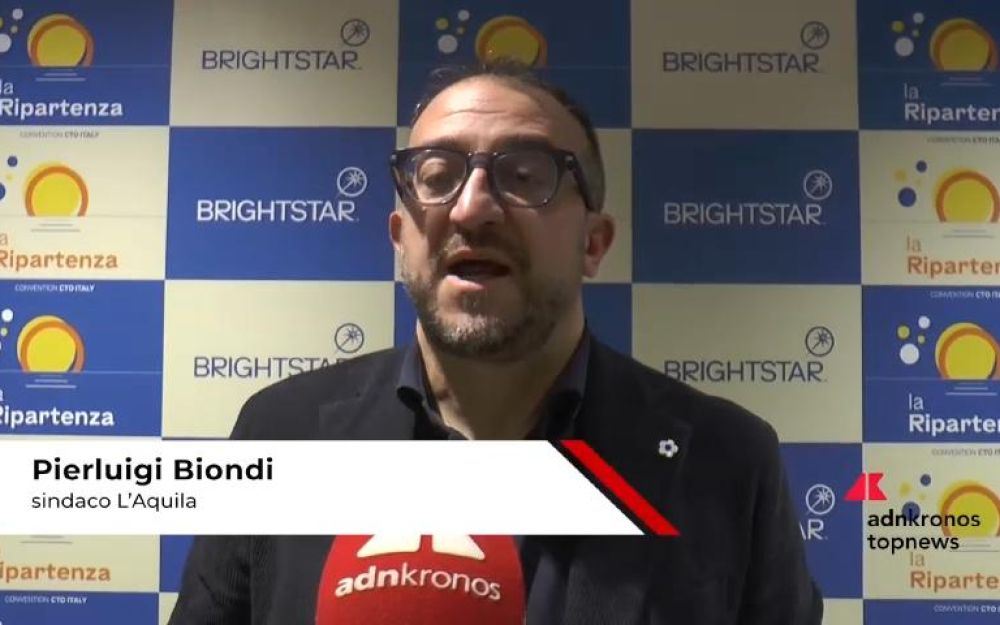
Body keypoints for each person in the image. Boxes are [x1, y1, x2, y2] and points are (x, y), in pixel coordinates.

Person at [169, 61, 823, 624]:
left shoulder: (726, 458)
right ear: (400, 239)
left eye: (525, 175)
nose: (472, 208)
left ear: (593, 243)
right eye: (437, 174)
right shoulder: (281, 432)